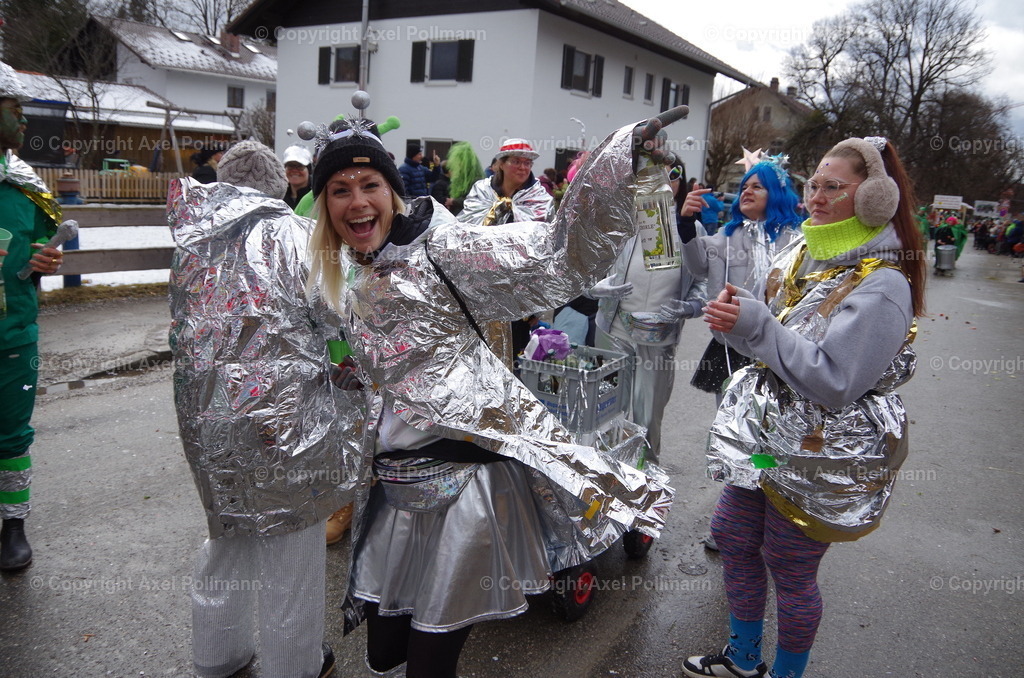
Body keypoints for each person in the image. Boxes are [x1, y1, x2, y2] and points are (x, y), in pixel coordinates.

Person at [305, 110, 681, 678]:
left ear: (392, 191)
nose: (357, 202)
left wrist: (619, 162)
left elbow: (556, 254)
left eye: (369, 185)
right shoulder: (344, 270)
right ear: (324, 205)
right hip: (394, 487)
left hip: (466, 483)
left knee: (428, 663)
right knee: (383, 653)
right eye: (340, 189)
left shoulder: (444, 249)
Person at [684, 136, 925, 678]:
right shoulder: (800, 253)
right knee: (734, 536)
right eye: (814, 184)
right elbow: (771, 339)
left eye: (833, 186)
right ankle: (743, 658)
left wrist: (759, 327)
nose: (816, 196)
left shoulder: (883, 284)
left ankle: (787, 673)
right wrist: (740, 319)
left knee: (789, 568)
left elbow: (836, 382)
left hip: (821, 457)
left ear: (875, 199)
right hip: (768, 445)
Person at [168, 140, 357, 678]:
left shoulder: (192, 240)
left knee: (227, 532)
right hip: (285, 420)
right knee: (291, 542)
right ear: (279, 186)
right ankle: (293, 666)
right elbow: (338, 315)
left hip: (208, 418)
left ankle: (219, 657)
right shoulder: (300, 236)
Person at [589, 159, 707, 464]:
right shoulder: (620, 223)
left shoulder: (690, 229)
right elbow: (588, 266)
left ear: (681, 183)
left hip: (659, 334)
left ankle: (644, 474)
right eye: (654, 175)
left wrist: (691, 306)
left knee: (649, 413)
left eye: (673, 175)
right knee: (607, 407)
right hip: (613, 328)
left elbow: (705, 278)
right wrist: (594, 288)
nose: (664, 181)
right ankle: (604, 471)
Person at [0, 61, 66, 572]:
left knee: (12, 432)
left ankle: (13, 525)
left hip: (14, 334)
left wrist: (45, 260)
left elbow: (41, 247)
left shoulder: (24, 184)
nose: (23, 120)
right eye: (14, 109)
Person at [681, 157, 802, 405]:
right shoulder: (727, 235)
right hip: (733, 346)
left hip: (782, 346)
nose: (747, 191)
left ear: (776, 192)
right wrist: (686, 223)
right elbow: (699, 265)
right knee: (731, 420)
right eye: (744, 186)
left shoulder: (796, 240)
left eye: (757, 186)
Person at [459, 138, 555, 362]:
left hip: (519, 292)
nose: (523, 167)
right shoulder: (481, 191)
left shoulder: (539, 199)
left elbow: (547, 250)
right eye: (516, 161)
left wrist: (537, 306)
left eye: (527, 163)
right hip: (480, 288)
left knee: (512, 355)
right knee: (478, 353)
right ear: (501, 163)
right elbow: (465, 231)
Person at [442, 140, 483, 216]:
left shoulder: (476, 180)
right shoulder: (460, 179)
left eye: (459, 162)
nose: (457, 165)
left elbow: (474, 201)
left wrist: (453, 201)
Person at [281, 145, 313, 210]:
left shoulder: (317, 195)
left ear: (309, 170)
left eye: (300, 166)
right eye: (290, 166)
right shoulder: (279, 197)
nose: (294, 170)